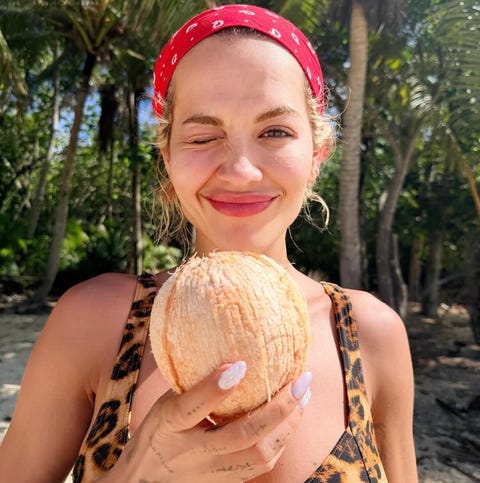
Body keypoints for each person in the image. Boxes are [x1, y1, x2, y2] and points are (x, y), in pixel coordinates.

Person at [0, 4, 417, 482]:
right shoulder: (94, 321)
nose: (240, 171)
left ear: (317, 155)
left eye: (275, 131)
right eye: (202, 137)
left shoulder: (370, 337)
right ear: (169, 157)